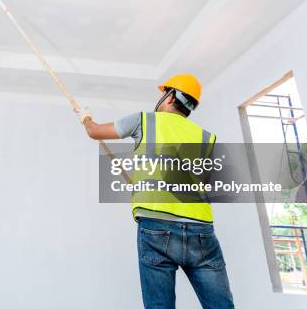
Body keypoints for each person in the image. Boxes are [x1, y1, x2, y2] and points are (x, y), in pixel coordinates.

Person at [77, 74, 234, 309]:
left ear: (170, 96)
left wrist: (85, 117)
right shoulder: (206, 137)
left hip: (156, 228)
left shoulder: (144, 121)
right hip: (201, 231)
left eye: (163, 93)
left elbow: (95, 132)